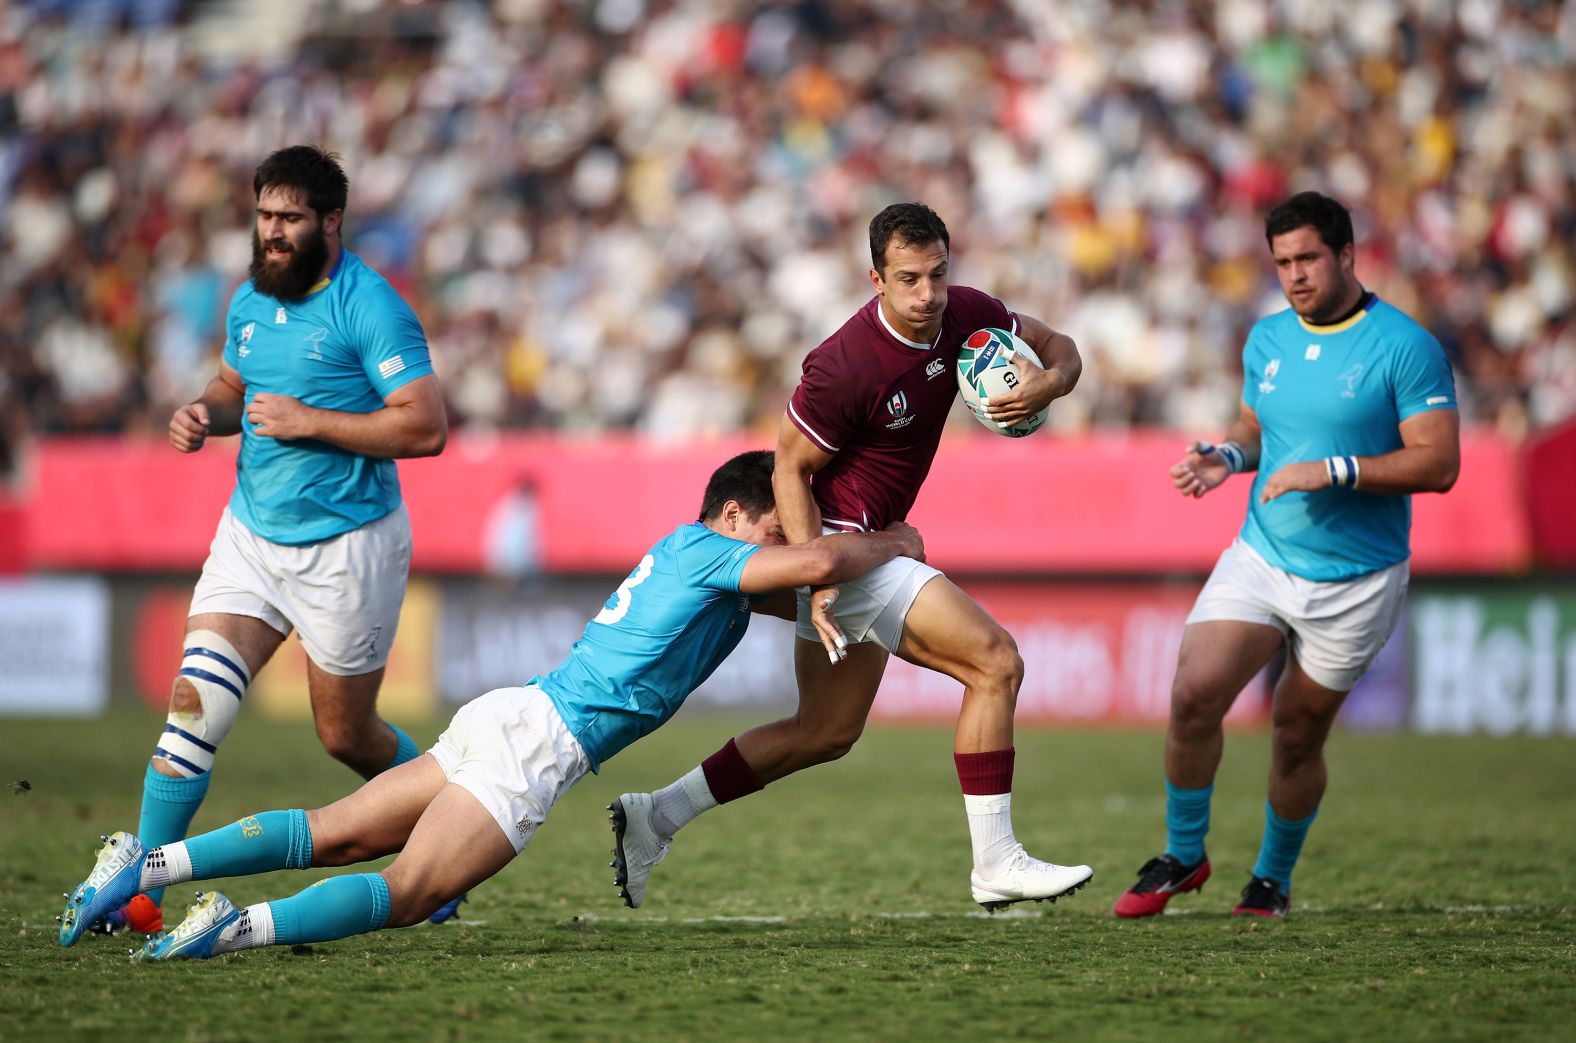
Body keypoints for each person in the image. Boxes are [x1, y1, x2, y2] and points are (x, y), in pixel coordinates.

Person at [56, 450, 927, 959]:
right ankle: (234, 928)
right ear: (733, 513)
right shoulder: (711, 552)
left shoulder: (701, 563)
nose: (789, 541)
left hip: (511, 713)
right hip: (540, 744)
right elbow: (817, 568)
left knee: (340, 829)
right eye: (776, 526)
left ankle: (148, 867)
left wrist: (847, 588)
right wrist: (893, 541)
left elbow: (810, 586)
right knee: (405, 891)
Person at [610, 202, 1091, 914]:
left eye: (936, 275)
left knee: (824, 732)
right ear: (875, 278)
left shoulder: (968, 314)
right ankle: (996, 861)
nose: (926, 295)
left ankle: (654, 816)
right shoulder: (842, 364)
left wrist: (1045, 386)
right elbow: (787, 469)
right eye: (907, 279)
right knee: (995, 661)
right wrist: (817, 573)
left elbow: (1063, 348)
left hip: (860, 546)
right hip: (842, 544)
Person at [100, 145, 450, 936]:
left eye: (290, 218)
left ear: (332, 221)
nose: (273, 232)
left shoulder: (372, 305)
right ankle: (142, 895)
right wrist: (202, 411)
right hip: (251, 536)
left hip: (349, 548)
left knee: (344, 734)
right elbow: (235, 387)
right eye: (264, 215)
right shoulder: (251, 299)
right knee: (194, 707)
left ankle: (451, 832)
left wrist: (310, 422)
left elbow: (426, 427)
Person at [1112, 191, 1460, 919]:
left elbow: (1439, 464)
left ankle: (1271, 878)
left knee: (1297, 735)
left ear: (1346, 254)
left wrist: (1334, 469)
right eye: (1282, 262)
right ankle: (1183, 853)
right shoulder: (1266, 339)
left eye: (1308, 258)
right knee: (1192, 693)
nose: (1295, 274)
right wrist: (1229, 456)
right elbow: (1256, 424)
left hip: (1357, 578)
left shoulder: (1404, 345)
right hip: (1263, 555)